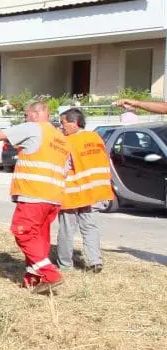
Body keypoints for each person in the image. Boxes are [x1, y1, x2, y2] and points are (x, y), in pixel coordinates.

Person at [0, 100, 70, 291]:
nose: (24, 118)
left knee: (22, 233)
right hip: (53, 197)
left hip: (34, 194)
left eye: (26, 114)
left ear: (36, 114)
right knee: (39, 238)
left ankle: (49, 273)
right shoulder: (60, 138)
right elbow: (65, 169)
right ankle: (33, 279)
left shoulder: (33, 128)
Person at [57, 108, 114, 274]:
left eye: (63, 123)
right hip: (92, 192)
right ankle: (94, 261)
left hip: (72, 192)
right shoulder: (96, 138)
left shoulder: (68, 142)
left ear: (74, 123)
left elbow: (63, 167)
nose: (61, 127)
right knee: (90, 227)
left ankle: (65, 265)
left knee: (67, 229)